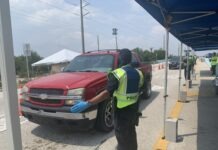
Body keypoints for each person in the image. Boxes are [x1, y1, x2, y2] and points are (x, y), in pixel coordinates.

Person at [70, 49, 144, 150]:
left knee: (122, 138)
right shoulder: (139, 73)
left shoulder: (118, 73)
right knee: (131, 135)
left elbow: (106, 93)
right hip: (133, 111)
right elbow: (138, 89)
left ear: (121, 59)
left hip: (121, 113)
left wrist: (88, 103)